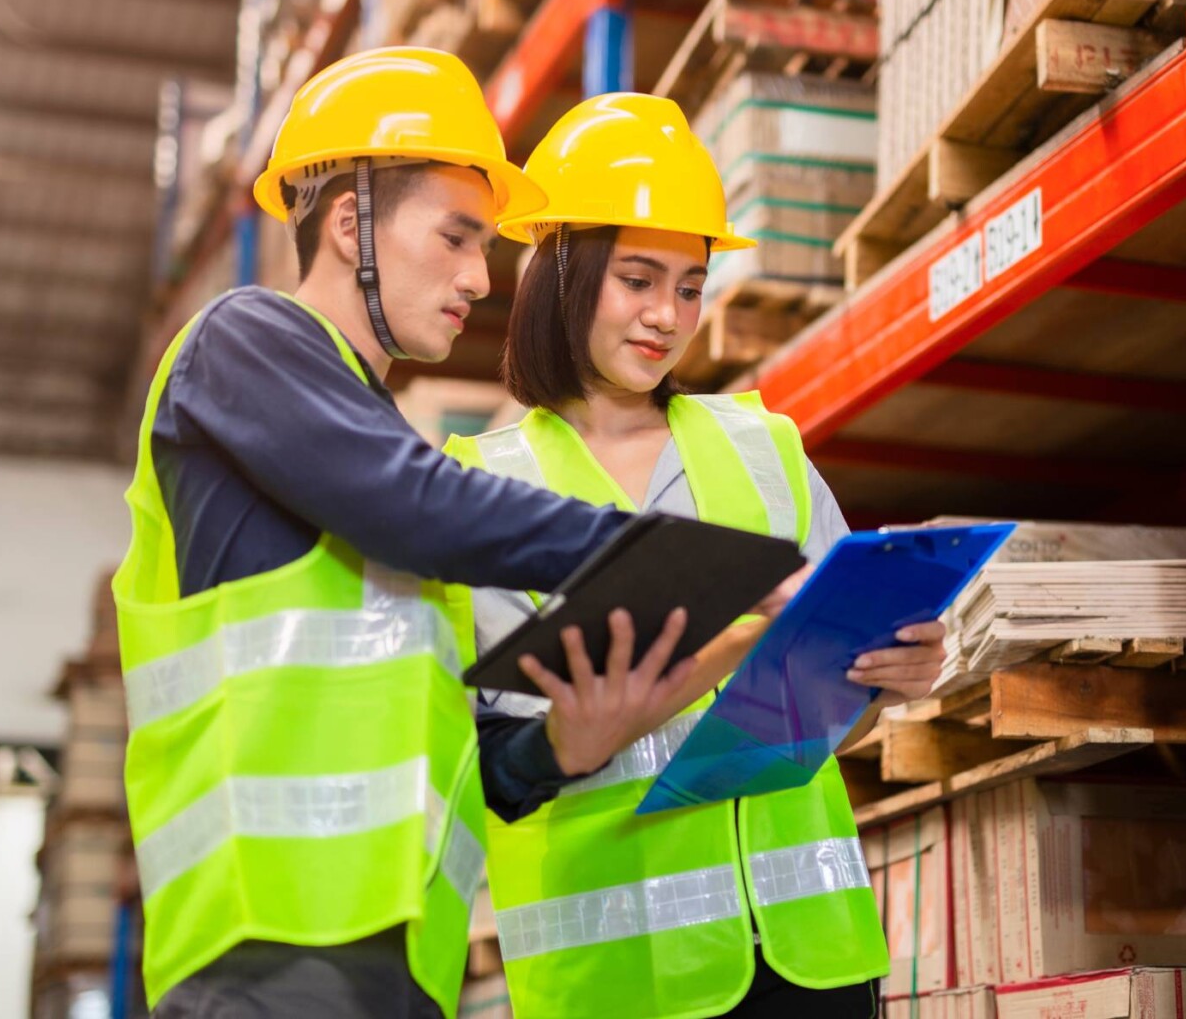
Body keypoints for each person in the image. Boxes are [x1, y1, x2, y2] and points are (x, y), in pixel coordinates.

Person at [111, 50, 765, 1019]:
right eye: (457, 238)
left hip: (397, 959)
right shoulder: (243, 344)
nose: (479, 276)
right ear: (349, 225)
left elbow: (480, 768)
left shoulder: (369, 450)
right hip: (268, 946)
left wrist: (558, 747)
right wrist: (692, 567)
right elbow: (419, 508)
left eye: (487, 246)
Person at [443, 93, 947, 1019]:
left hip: (813, 966)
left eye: (688, 285)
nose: (668, 317)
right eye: (637, 279)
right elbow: (491, 765)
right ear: (560, 268)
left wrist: (890, 677)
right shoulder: (477, 493)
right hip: (620, 982)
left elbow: (836, 722)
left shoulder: (765, 447)